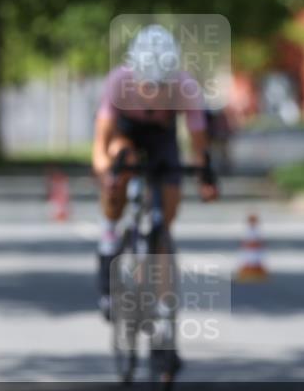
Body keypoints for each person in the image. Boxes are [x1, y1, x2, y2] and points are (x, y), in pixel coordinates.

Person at [91, 24, 219, 332]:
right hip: (126, 134)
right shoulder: (119, 82)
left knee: (169, 206)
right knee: (122, 163)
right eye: (148, 84)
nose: (154, 91)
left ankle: (161, 292)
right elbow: (100, 144)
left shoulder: (185, 87)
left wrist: (205, 177)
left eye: (161, 85)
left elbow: (199, 143)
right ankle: (110, 233)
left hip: (162, 136)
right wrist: (108, 175)